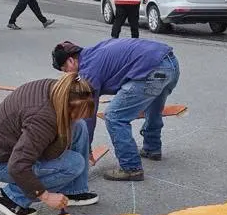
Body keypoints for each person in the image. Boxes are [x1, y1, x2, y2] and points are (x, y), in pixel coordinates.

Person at [0, 71, 98, 215]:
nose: (83, 116)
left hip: (10, 146)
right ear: (67, 106)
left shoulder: (62, 89)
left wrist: (68, 127)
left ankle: (73, 190)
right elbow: (18, 165)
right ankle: (10, 197)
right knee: (74, 164)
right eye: (78, 113)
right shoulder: (42, 120)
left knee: (79, 125)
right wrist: (45, 196)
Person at [52, 38, 178, 181]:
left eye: (64, 70)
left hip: (150, 71)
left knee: (114, 116)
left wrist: (85, 149)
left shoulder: (88, 72)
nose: (66, 75)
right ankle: (152, 148)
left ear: (70, 61)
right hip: (170, 63)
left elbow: (87, 114)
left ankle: (131, 168)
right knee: (153, 106)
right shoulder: (94, 51)